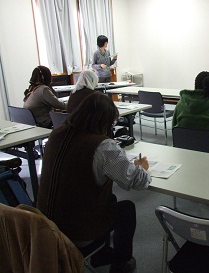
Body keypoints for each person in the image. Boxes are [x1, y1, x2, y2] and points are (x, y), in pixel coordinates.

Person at [37, 92, 151, 273]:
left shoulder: (56, 134)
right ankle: (121, 263)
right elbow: (136, 182)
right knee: (126, 208)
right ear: (104, 122)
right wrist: (142, 167)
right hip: (76, 231)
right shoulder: (102, 146)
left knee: (109, 199)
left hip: (44, 225)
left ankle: (102, 253)